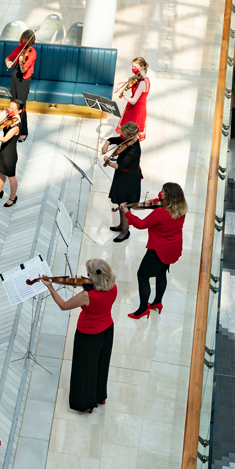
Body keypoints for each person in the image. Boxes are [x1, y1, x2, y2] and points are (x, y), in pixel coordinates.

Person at [43, 259, 117, 413]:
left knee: (85, 369)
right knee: (101, 364)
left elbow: (64, 305)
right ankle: (100, 396)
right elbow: (100, 295)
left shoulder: (86, 296)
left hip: (89, 335)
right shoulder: (113, 287)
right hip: (107, 330)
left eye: (88, 273)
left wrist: (50, 287)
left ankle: (86, 403)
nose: (86, 275)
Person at [121, 182, 188, 319]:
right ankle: (157, 302)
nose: (160, 193)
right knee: (161, 272)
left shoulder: (160, 213)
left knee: (142, 275)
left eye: (163, 192)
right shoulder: (181, 209)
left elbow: (141, 224)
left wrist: (127, 213)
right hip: (172, 249)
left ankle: (143, 309)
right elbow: (160, 198)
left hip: (158, 250)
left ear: (169, 196)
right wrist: (158, 197)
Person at [102, 120, 141, 243]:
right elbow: (114, 139)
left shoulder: (134, 149)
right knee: (120, 202)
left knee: (124, 204)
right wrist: (106, 143)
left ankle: (125, 231)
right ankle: (121, 225)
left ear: (130, 136)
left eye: (124, 135)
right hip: (122, 176)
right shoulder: (128, 140)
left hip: (129, 179)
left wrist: (109, 162)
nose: (121, 136)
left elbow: (120, 165)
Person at [0, 99, 22, 207]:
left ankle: (13, 197)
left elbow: (5, 139)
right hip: (3, 151)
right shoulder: (8, 118)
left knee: (11, 177)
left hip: (10, 154)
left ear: (19, 111)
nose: (9, 110)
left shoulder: (17, 125)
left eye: (12, 108)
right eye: (9, 107)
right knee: (1, 172)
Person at [5, 29, 36, 140]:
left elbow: (23, 70)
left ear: (31, 41)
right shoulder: (19, 48)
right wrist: (8, 62)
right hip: (15, 76)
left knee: (21, 106)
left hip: (24, 79)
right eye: (23, 40)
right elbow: (8, 57)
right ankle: (11, 127)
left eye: (26, 41)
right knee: (13, 103)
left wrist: (21, 63)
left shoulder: (32, 53)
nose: (23, 43)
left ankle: (23, 131)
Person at [115, 57, 150, 141]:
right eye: (132, 66)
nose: (133, 68)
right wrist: (117, 83)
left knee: (131, 135)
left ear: (142, 67)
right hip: (131, 108)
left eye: (135, 67)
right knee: (126, 132)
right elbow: (127, 80)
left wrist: (122, 94)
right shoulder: (138, 76)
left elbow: (134, 101)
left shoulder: (143, 82)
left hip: (137, 110)